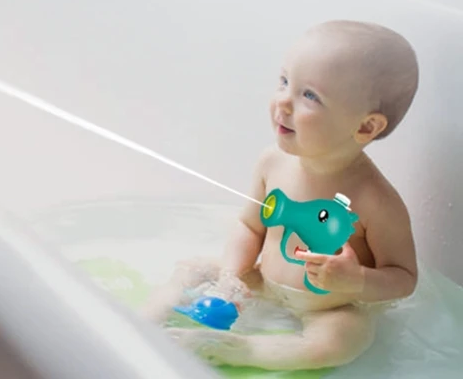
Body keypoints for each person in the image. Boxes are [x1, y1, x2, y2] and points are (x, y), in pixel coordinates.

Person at [143, 20, 420, 371]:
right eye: (284, 82)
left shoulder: (376, 201)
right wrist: (231, 276)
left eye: (309, 96)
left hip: (332, 305)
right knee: (192, 268)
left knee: (337, 344)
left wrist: (358, 281)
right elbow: (250, 226)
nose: (283, 103)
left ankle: (237, 349)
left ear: (365, 126)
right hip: (264, 278)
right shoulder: (272, 162)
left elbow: (404, 278)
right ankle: (149, 316)